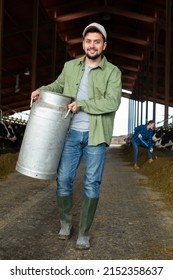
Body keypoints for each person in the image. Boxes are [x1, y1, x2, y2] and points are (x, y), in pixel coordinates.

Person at [31, 22, 122, 250]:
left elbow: (112, 102)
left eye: (97, 42)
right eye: (88, 41)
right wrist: (42, 90)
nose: (92, 45)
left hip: (96, 135)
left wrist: (81, 105)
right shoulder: (70, 66)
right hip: (70, 134)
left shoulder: (113, 72)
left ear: (104, 45)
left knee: (92, 183)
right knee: (63, 180)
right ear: (83, 44)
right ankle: (65, 224)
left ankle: (83, 233)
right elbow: (58, 86)